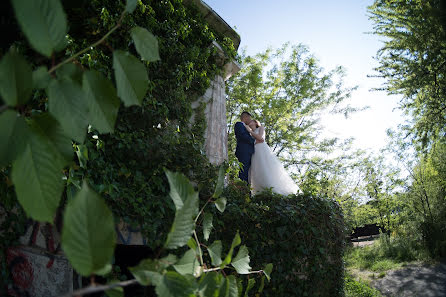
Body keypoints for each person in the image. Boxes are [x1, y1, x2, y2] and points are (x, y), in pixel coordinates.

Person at [245, 120, 299, 195]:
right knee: (257, 170)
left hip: (262, 149)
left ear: (255, 122)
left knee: (266, 167)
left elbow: (261, 138)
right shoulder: (250, 134)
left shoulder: (260, 128)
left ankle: (272, 189)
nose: (249, 123)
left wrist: (250, 131)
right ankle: (260, 192)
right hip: (255, 152)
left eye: (251, 121)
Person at [234, 111, 263, 183]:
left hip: (250, 152)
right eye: (250, 118)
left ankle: (246, 189)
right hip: (244, 151)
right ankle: (242, 189)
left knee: (248, 172)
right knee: (243, 171)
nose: (250, 120)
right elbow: (242, 135)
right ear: (245, 117)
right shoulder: (239, 124)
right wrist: (254, 141)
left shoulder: (249, 128)